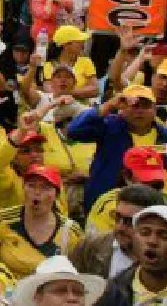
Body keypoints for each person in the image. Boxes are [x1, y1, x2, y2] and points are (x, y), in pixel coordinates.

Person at [69, 84, 167, 212]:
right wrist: (108, 105)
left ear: (155, 109)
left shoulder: (164, 136)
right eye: (134, 105)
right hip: (107, 204)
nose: (140, 111)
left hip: (153, 205)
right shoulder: (109, 126)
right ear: (122, 108)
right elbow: (74, 131)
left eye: (146, 105)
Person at [0, 164, 83, 280]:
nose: (37, 192)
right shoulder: (1, 220)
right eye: (31, 186)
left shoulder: (70, 230)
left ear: (56, 195)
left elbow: (79, 272)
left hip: (51, 292)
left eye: (45, 187)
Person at [72, 184, 164, 279]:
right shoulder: (89, 248)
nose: (120, 227)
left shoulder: (162, 260)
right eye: (117, 217)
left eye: (129, 221)